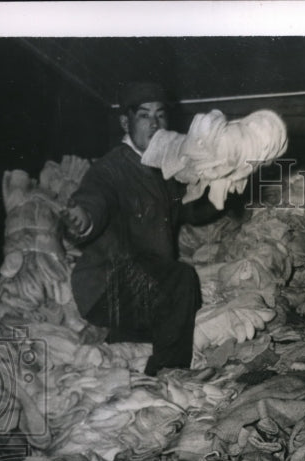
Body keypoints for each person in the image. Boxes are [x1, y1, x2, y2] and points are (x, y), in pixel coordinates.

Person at [63, 81, 219, 376]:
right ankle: (167, 372)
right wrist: (82, 218)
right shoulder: (111, 168)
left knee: (188, 302)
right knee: (182, 280)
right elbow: (95, 198)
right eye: (145, 116)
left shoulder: (165, 168)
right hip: (107, 285)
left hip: (145, 284)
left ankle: (123, 337)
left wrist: (225, 187)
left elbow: (191, 210)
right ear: (126, 122)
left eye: (161, 115)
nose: (155, 124)